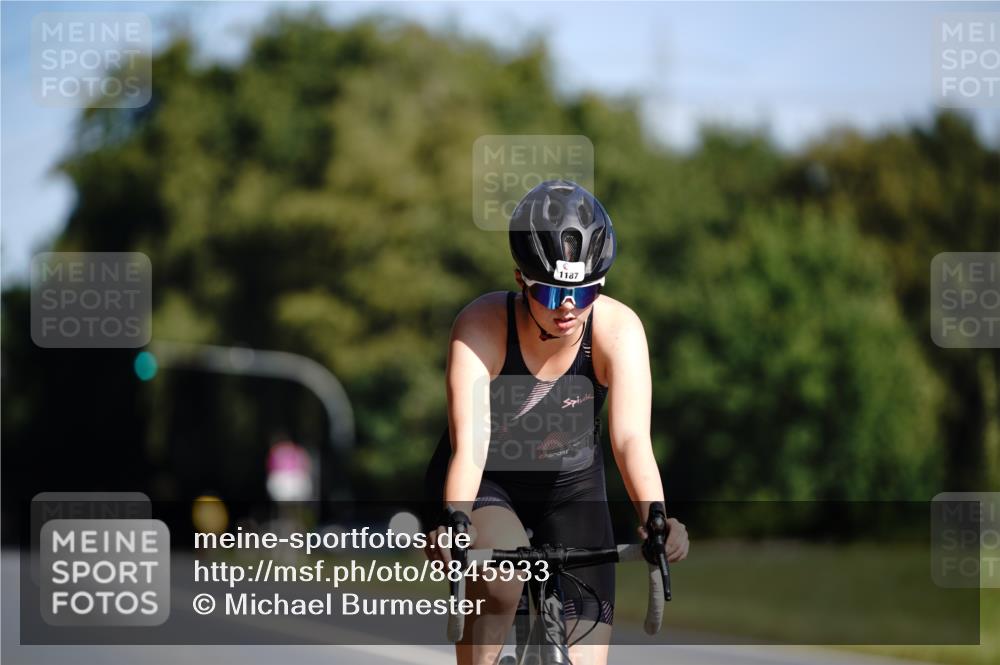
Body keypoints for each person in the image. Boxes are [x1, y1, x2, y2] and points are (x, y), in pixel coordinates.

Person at [424, 180, 688, 665]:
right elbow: (472, 444)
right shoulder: (482, 325)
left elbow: (631, 439)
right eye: (550, 291)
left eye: (584, 290)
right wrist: (455, 522)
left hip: (571, 487)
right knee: (503, 582)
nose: (568, 307)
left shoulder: (619, 330)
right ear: (521, 278)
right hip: (487, 482)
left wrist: (656, 515)